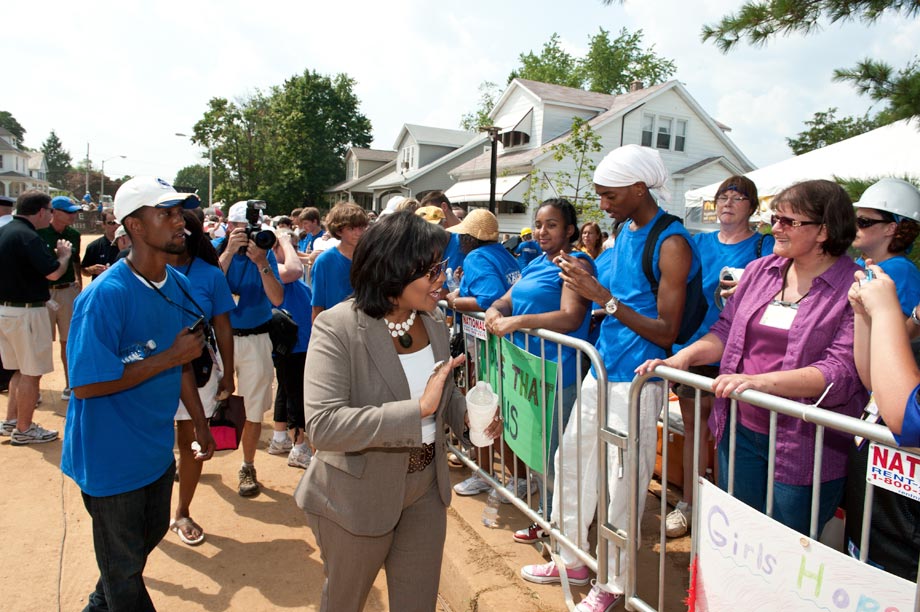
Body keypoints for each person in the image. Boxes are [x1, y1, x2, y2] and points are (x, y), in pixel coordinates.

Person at [522, 145, 700, 611]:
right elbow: (618, 300)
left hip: (638, 381)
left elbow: (667, 330)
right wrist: (588, 284)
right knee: (573, 462)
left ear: (639, 189)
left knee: (622, 486)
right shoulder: (626, 230)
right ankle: (572, 557)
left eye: (609, 194)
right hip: (602, 365)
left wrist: (601, 296)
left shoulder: (673, 242)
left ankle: (614, 583)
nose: (602, 204)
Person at [638, 179, 867, 537]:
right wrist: (683, 358)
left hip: (805, 443)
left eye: (789, 221)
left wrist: (758, 383)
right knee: (739, 536)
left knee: (786, 545)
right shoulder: (762, 271)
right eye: (775, 217)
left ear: (824, 230)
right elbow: (727, 331)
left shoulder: (854, 286)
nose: (775, 227)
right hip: (741, 429)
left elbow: (841, 370)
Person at [294, 211, 470, 612]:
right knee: (344, 603)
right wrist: (417, 411)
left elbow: (441, 392)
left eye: (441, 266)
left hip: (426, 487)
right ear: (394, 268)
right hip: (356, 494)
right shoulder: (337, 327)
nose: (442, 278)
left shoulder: (435, 319)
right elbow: (323, 426)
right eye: (432, 269)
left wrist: (467, 418)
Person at [61, 176, 216, 610]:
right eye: (164, 213)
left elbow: (184, 360)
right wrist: (168, 357)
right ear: (134, 226)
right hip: (109, 458)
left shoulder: (178, 285)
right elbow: (87, 384)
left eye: (178, 212)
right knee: (126, 578)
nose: (179, 222)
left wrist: (201, 423)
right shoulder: (105, 297)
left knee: (134, 553)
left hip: (153, 452)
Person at [665, 175, 775, 538]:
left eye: (738, 197)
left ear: (752, 206)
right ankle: (691, 505)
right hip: (697, 347)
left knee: (734, 435)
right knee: (697, 429)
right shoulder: (696, 243)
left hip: (745, 355)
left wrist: (752, 286)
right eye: (721, 197)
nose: (727, 203)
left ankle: (728, 511)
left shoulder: (766, 245)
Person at [484, 198, 596, 543]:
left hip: (560, 372)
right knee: (536, 449)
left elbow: (571, 316)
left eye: (551, 225)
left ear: (570, 230)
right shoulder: (536, 263)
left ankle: (561, 528)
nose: (542, 231)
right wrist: (494, 309)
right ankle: (546, 517)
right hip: (529, 373)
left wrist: (519, 320)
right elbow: (507, 298)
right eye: (538, 224)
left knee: (555, 455)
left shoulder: (577, 264)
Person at [444, 208, 524, 500]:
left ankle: (494, 475)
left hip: (486, 345)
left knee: (485, 409)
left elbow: (489, 299)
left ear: (470, 238)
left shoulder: (477, 257)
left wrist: (454, 300)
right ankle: (501, 474)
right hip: (500, 344)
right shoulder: (503, 253)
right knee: (497, 410)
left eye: (463, 235)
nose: (460, 241)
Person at [847, 263, 920, 579]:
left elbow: (909, 418)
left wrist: (887, 311)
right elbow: (873, 379)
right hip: (872, 524)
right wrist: (865, 316)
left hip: (905, 551)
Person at [169, 210, 235, 546]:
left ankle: (181, 511)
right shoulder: (139, 272)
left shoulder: (210, 274)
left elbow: (222, 325)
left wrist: (228, 372)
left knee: (190, 441)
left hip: (198, 369)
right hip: (145, 369)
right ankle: (146, 512)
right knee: (152, 444)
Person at [214, 200, 284, 497]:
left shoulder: (263, 253)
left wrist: (262, 263)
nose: (249, 235)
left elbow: (278, 298)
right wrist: (229, 252)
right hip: (221, 339)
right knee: (208, 399)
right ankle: (199, 452)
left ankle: (247, 464)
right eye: (242, 228)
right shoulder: (217, 247)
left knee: (254, 406)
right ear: (230, 226)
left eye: (252, 229)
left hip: (256, 338)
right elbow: (207, 288)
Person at [0, 191, 72, 443]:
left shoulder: (6, 231)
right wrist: (63, 256)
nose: (51, 215)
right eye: (50, 210)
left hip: (7, 310)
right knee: (31, 373)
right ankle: (24, 428)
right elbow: (53, 274)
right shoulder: (28, 236)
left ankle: (12, 421)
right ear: (41, 211)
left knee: (19, 371)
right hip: (27, 312)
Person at [269, 228, 313, 468]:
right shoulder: (275, 272)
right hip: (291, 343)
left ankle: (279, 438)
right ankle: (298, 447)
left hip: (297, 343)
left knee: (286, 391)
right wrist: (283, 241)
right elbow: (295, 269)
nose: (291, 251)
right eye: (286, 247)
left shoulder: (282, 272)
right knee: (297, 395)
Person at [851, 178, 920, 316]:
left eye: (863, 221)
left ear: (890, 228)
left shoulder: (901, 271)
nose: (854, 226)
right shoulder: (862, 262)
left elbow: (901, 334)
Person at [38, 196, 82, 400]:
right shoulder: (39, 232)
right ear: (53, 212)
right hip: (43, 293)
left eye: (74, 211)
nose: (73, 215)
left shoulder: (74, 234)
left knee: (69, 340)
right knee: (40, 342)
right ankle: (33, 389)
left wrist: (79, 284)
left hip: (67, 291)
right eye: (68, 212)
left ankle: (70, 384)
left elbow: (75, 262)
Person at [310, 202, 368, 323]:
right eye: (351, 228)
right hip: (336, 328)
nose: (358, 233)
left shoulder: (372, 257)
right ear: (338, 231)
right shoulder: (325, 261)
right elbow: (317, 306)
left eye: (361, 227)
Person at [81, 211, 121, 281]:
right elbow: (83, 270)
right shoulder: (94, 246)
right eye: (111, 223)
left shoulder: (130, 245)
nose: (116, 226)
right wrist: (91, 269)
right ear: (103, 224)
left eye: (118, 223)